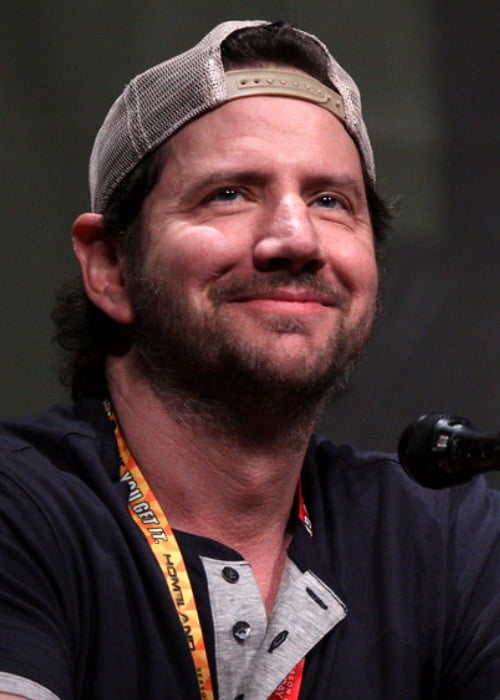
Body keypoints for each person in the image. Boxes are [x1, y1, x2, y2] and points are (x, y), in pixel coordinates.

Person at [0, 19, 499, 700]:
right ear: (111, 266)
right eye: (230, 193)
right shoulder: (20, 511)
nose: (296, 238)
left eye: (330, 201)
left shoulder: (448, 537)